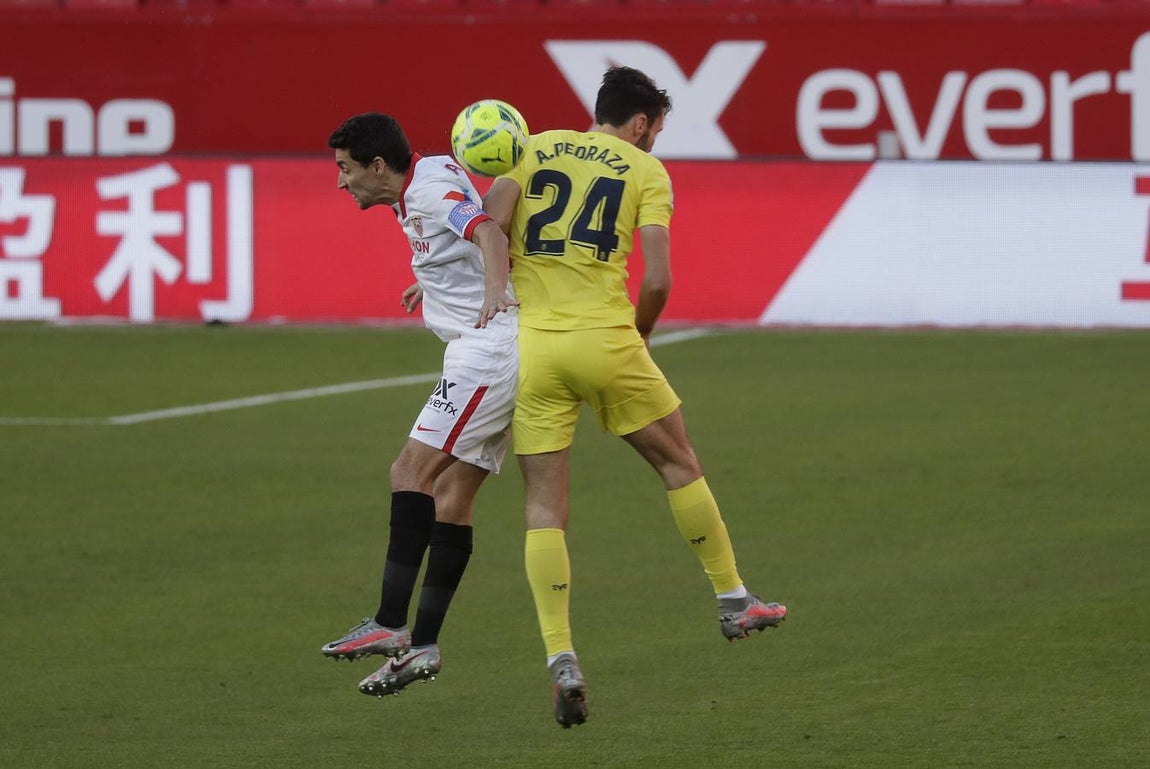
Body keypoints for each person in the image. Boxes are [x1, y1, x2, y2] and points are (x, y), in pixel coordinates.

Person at [483, 67, 786, 728]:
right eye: (657, 129)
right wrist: (639, 338)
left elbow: (491, 223)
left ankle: (561, 654)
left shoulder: (532, 147)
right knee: (679, 464)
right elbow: (658, 278)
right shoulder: (645, 171)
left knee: (543, 507)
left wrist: (494, 291)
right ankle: (733, 597)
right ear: (643, 121)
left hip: (535, 350)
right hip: (608, 341)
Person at [321, 112, 518, 699]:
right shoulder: (429, 173)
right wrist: (431, 280)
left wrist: (489, 295)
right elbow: (481, 208)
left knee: (409, 472)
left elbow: (486, 230)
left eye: (345, 169)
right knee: (453, 500)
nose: (341, 182)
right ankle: (423, 646)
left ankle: (387, 623)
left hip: (486, 352)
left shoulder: (428, 193)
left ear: (377, 167)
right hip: (496, 350)